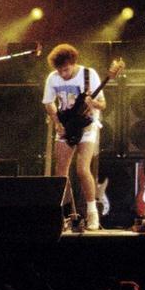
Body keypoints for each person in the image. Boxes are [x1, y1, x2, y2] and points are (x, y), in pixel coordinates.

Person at [41, 43, 107, 231]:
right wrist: (57, 122)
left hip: (87, 125)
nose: (63, 74)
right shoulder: (53, 79)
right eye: (60, 70)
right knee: (60, 172)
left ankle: (92, 213)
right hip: (66, 125)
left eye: (66, 69)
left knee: (82, 168)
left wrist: (92, 102)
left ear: (73, 62)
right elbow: (48, 103)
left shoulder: (88, 74)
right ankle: (67, 214)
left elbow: (103, 104)